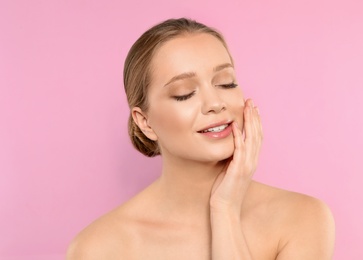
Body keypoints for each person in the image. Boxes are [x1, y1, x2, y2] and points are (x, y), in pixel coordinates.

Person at [67, 18, 335, 259]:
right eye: (184, 93)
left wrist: (225, 209)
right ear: (145, 122)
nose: (216, 103)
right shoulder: (99, 248)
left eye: (226, 83)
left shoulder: (303, 219)